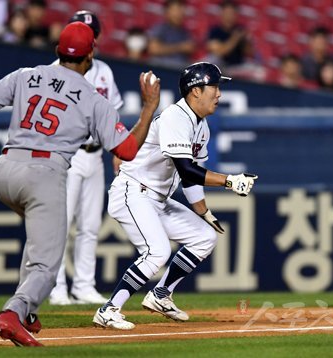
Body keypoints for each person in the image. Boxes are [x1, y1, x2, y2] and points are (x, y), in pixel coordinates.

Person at [0, 22, 160, 346]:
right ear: (91, 54)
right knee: (47, 266)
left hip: (4, 171)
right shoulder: (93, 98)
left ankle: (29, 312)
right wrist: (149, 107)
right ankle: (12, 314)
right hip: (44, 175)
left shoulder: (25, 75)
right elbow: (127, 150)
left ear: (57, 51)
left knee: (39, 242)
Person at [92, 62, 258, 330]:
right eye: (214, 87)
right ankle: (109, 309)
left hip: (156, 199)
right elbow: (186, 167)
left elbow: (190, 177)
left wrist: (203, 211)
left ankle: (160, 295)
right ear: (195, 92)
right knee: (156, 251)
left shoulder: (201, 127)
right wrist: (228, 181)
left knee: (204, 237)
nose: (219, 94)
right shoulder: (175, 117)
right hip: (132, 190)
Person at [49, 10, 125, 306]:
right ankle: (54, 286)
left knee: (90, 224)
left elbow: (114, 111)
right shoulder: (54, 69)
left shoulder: (104, 71)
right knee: (60, 224)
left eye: (91, 33)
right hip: (67, 154)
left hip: (95, 154)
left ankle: (83, 284)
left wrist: (117, 149)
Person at [147, 0, 195, 68]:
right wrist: (181, 47)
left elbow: (190, 49)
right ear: (167, 12)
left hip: (179, 71)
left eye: (181, 9)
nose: (179, 13)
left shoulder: (185, 33)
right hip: (161, 69)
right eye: (175, 10)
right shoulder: (160, 28)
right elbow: (153, 49)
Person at [206, 0, 252, 68]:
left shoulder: (240, 29)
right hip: (221, 66)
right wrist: (235, 38)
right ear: (222, 12)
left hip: (237, 66)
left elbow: (249, 52)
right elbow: (220, 52)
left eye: (232, 12)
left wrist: (246, 40)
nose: (230, 15)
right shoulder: (214, 31)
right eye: (227, 12)